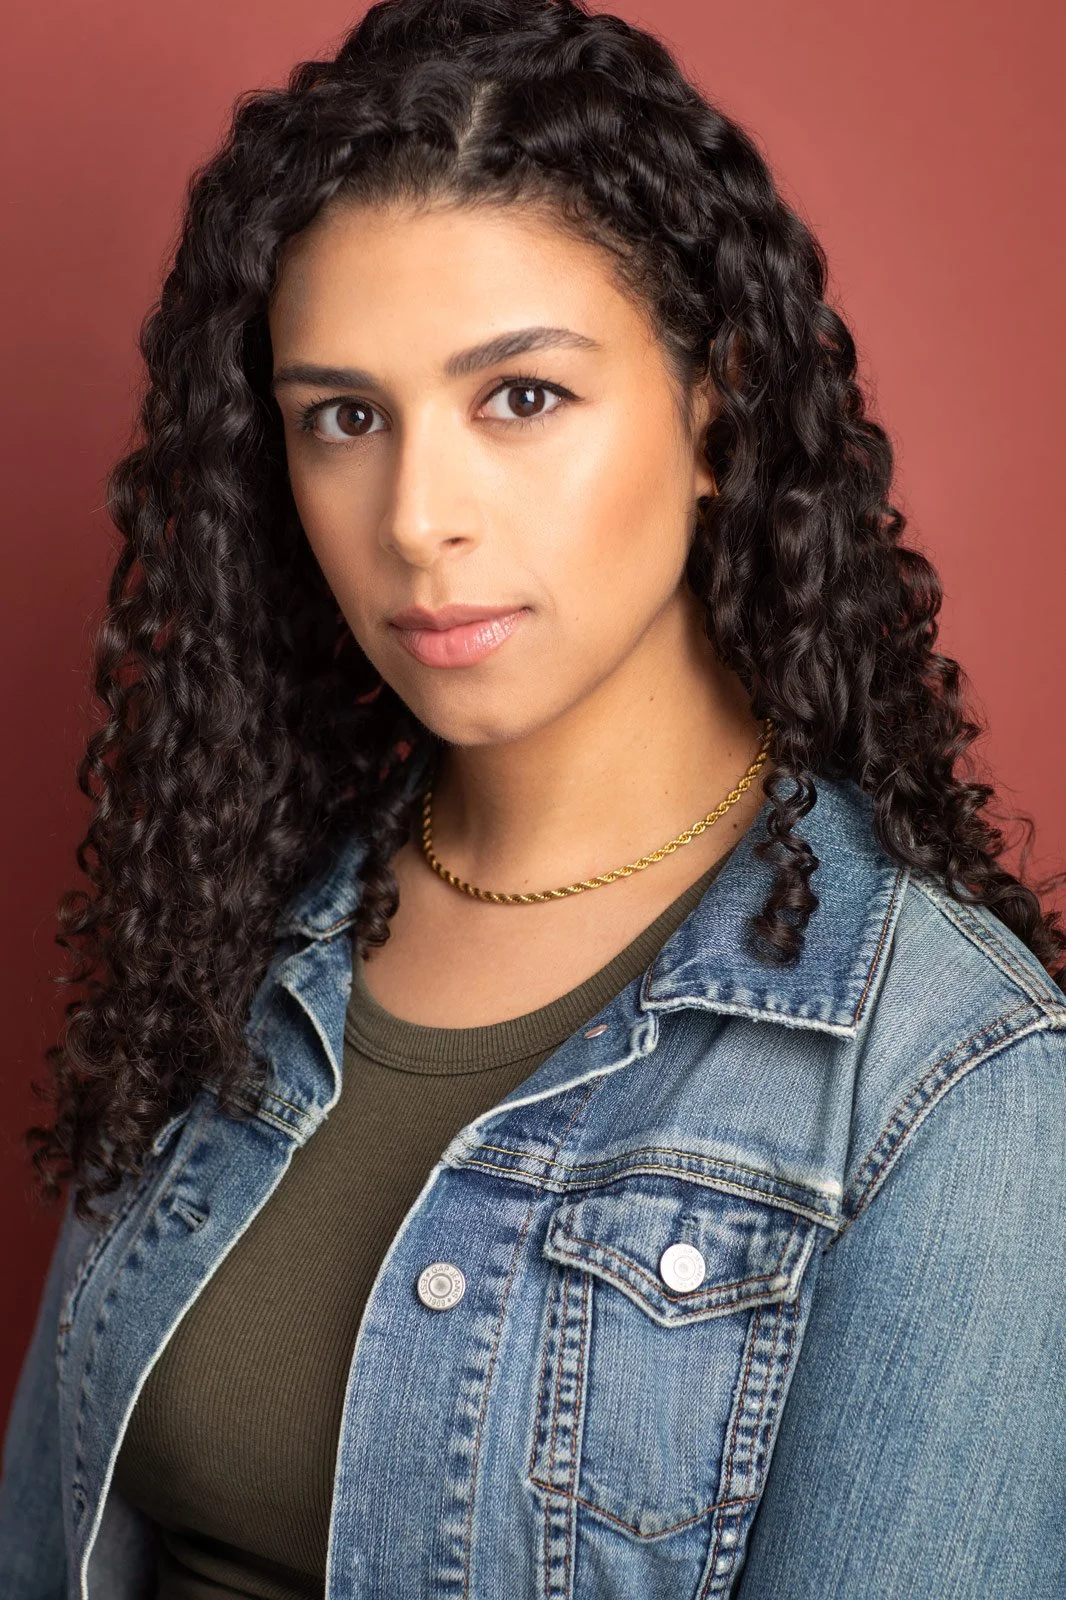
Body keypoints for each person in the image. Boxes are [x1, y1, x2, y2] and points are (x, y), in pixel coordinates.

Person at [2, 0, 1064, 1595]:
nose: (419, 517)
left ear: (719, 403)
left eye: (521, 397)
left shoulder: (944, 1086)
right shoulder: (236, 927)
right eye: (344, 420)